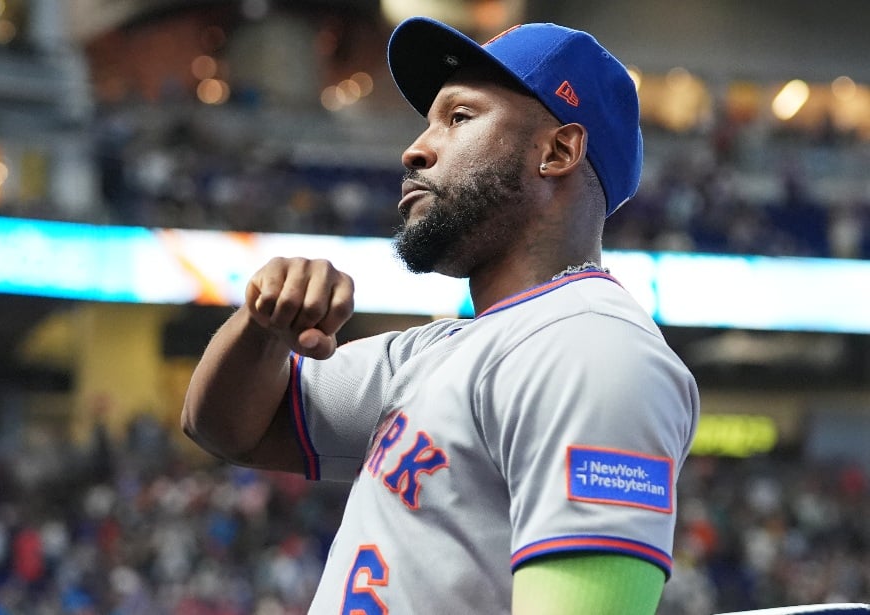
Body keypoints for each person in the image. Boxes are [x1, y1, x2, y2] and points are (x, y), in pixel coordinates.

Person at [182, 15, 700, 614]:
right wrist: (263, 330)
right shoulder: (434, 351)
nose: (416, 148)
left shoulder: (594, 351)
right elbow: (225, 426)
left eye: (459, 117)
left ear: (557, 151)